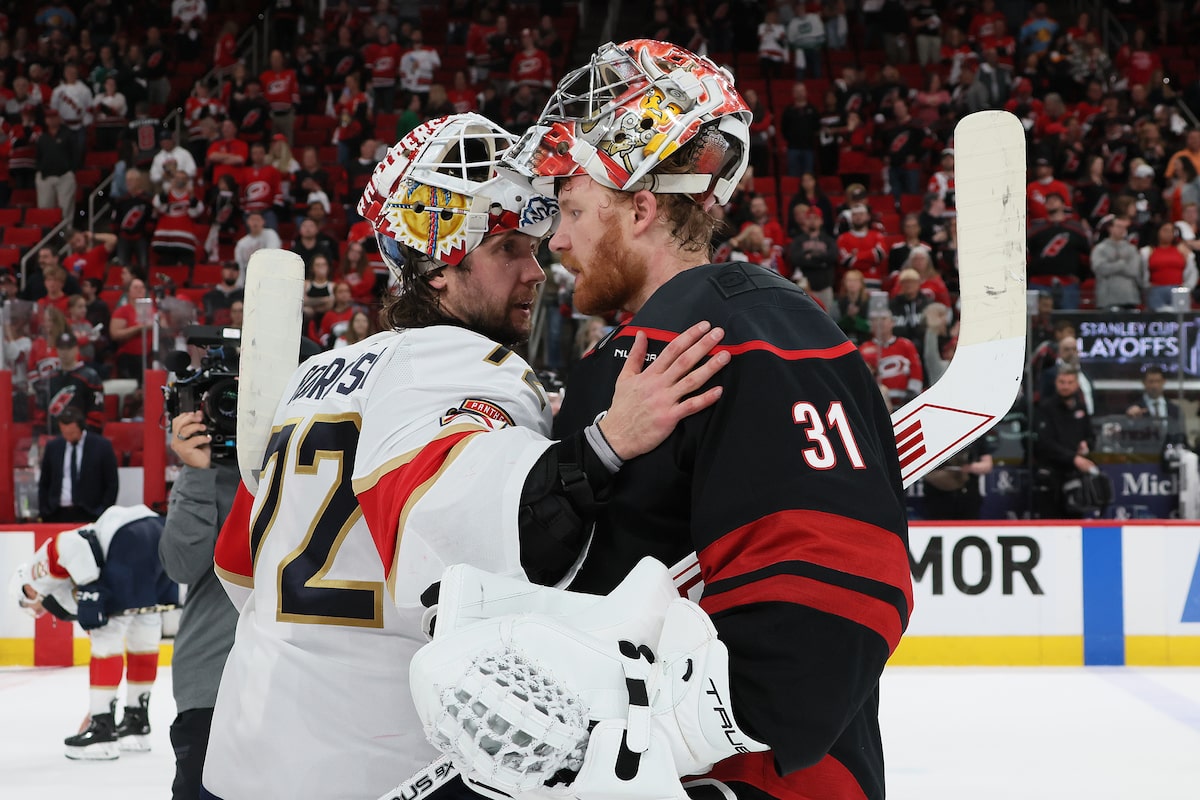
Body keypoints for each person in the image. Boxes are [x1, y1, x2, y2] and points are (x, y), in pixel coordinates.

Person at [202, 113, 726, 800]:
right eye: (509, 248)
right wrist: (608, 441)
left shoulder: (317, 375)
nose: (538, 270)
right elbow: (490, 541)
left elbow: (240, 570)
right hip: (377, 769)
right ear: (440, 267)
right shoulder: (463, 363)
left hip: (245, 755)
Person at [481, 40, 910, 800]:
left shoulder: (728, 335)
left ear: (641, 209)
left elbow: (843, 582)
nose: (556, 242)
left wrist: (707, 748)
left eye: (576, 209)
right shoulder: (661, 344)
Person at [9, 504, 178, 759]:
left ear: (26, 588)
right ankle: (136, 725)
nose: (37, 608)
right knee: (144, 632)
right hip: (158, 532)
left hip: (128, 539)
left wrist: (90, 588)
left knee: (105, 637)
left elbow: (68, 546)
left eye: (30, 602)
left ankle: (102, 730)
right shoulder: (62, 582)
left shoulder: (37, 572)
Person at [159, 410, 240, 799]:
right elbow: (181, 566)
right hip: (214, 684)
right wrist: (195, 472)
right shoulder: (209, 472)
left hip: (310, 687)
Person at [1034, 367, 1096, 519]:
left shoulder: (1081, 408)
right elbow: (1045, 444)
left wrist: (1086, 446)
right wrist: (1074, 458)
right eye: (1062, 382)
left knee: (1075, 523)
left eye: (1070, 382)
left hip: (1075, 478)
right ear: (1056, 383)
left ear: (1076, 385)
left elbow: (1091, 436)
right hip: (1051, 478)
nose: (1065, 386)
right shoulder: (1045, 408)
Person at [38, 406, 118, 523]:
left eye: (72, 433)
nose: (68, 437)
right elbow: (44, 482)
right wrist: (44, 510)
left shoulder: (101, 446)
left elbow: (112, 483)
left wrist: (103, 510)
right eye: (64, 433)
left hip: (90, 513)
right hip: (57, 513)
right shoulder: (53, 447)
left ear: (81, 427)